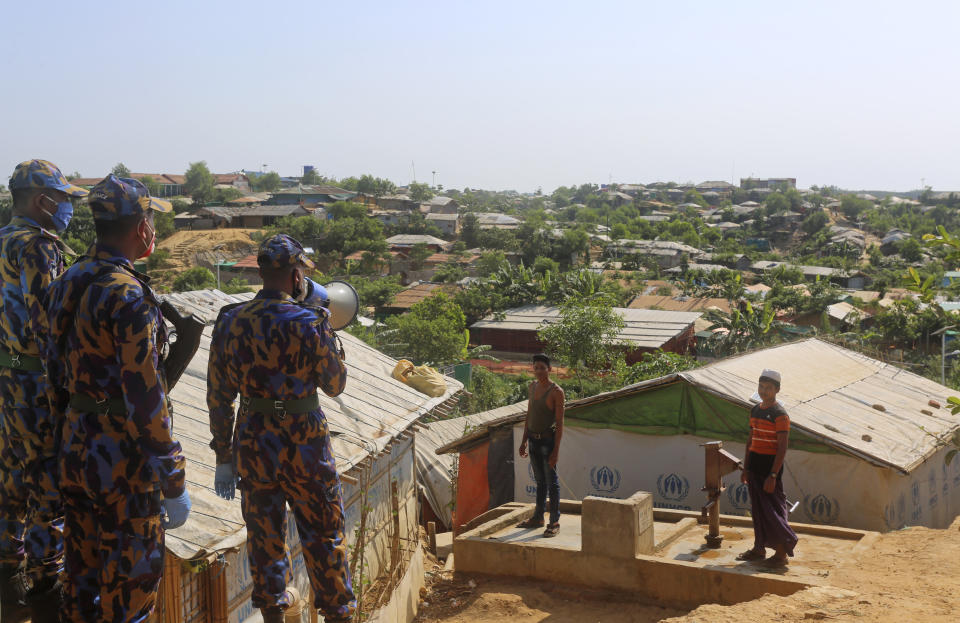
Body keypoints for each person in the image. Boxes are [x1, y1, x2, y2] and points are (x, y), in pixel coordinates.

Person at [44, 175, 190, 622]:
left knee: (82, 585)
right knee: (130, 594)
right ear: (142, 228)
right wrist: (172, 473)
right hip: (123, 465)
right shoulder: (127, 294)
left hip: (76, 448)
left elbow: (52, 372)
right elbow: (145, 395)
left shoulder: (67, 280)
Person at [207, 234, 355, 623]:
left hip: (254, 444)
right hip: (306, 445)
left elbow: (219, 396)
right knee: (324, 537)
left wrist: (224, 454)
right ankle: (338, 614)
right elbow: (335, 385)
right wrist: (329, 334)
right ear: (295, 275)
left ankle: (273, 615)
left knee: (265, 541)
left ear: (261, 271)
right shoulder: (312, 321)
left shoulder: (230, 319)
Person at [0, 160, 88, 622]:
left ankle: (10, 581)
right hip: (34, 383)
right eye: (64, 199)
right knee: (47, 486)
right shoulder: (37, 246)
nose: (68, 207)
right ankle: (45, 586)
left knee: (9, 481)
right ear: (43, 201)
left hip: (3, 381)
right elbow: (49, 322)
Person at [736, 369, 798, 568]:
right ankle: (758, 548)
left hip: (770, 468)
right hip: (754, 466)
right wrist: (746, 468)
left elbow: (782, 447)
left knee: (773, 511)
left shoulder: (780, 415)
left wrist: (773, 475)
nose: (764, 391)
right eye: (761, 387)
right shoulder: (755, 410)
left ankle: (781, 553)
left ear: (777, 390)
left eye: (768, 388)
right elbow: (750, 440)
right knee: (758, 511)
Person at [516, 353, 565, 538]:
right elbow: (529, 414)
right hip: (533, 441)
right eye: (536, 367)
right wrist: (523, 441)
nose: (539, 371)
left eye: (542, 368)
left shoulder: (556, 392)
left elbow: (560, 424)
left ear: (549, 369)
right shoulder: (532, 386)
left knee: (552, 483)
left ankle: (554, 521)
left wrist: (556, 451)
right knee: (540, 482)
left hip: (547, 442)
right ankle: (538, 517)